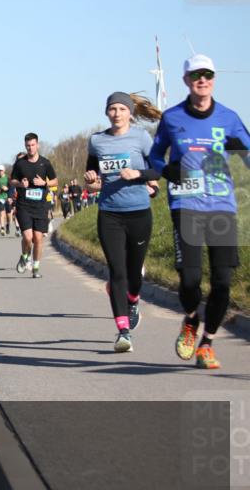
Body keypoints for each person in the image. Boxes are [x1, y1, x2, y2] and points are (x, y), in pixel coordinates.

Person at [151, 54, 250, 370]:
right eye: (196, 75)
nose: (202, 80)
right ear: (186, 81)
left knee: (222, 282)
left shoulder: (229, 118)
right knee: (190, 279)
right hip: (186, 205)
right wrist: (167, 171)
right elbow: (154, 156)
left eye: (207, 74)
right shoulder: (172, 117)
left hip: (222, 207)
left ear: (214, 79)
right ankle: (191, 319)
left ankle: (207, 343)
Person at [84, 92, 162, 353]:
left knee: (134, 273)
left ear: (130, 112)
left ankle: (133, 299)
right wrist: (91, 178)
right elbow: (92, 174)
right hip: (109, 213)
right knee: (116, 272)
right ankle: (123, 332)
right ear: (107, 113)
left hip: (139, 212)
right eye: (112, 109)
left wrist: (138, 174)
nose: (116, 113)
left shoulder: (141, 137)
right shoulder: (97, 141)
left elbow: (157, 170)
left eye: (121, 109)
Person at [10, 133, 58, 277]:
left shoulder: (45, 163)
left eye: (32, 145)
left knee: (38, 238)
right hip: (24, 205)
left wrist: (45, 183)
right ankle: (25, 256)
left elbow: (55, 181)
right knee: (28, 237)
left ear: (37, 145)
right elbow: (11, 181)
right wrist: (20, 183)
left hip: (40, 206)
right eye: (28, 146)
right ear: (25, 146)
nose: (30, 148)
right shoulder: (20, 163)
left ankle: (35, 267)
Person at [0, 164, 11, 236]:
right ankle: (2, 228)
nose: (0, 172)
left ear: (4, 171)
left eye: (1, 170)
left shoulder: (8, 178)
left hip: (7, 197)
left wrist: (7, 189)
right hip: (0, 198)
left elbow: (11, 188)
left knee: (8, 215)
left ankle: (7, 225)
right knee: (1, 213)